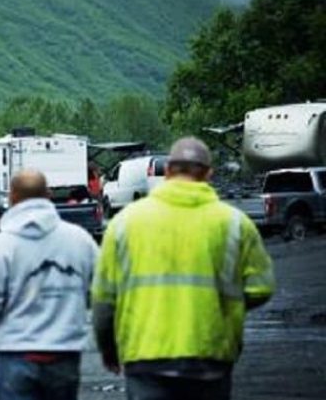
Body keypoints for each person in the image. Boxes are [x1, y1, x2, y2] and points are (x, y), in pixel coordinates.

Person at [91, 137, 275, 400]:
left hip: (146, 356)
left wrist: (108, 348)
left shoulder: (124, 224)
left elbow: (104, 300)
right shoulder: (235, 224)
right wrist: (220, 305)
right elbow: (261, 287)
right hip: (210, 354)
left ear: (167, 172)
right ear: (209, 174)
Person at [0, 169, 99, 400]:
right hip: (65, 355)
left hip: (16, 355)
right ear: (48, 196)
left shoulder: (1, 246)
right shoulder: (80, 240)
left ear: (12, 199)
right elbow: (100, 292)